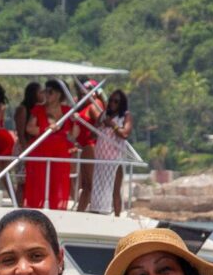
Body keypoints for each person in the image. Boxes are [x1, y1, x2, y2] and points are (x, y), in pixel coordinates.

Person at [22, 80, 76, 211]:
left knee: (58, 182)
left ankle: (56, 209)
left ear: (59, 94)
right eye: (45, 91)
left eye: (50, 91)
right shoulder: (39, 109)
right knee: (38, 184)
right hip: (41, 151)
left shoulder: (67, 111)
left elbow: (73, 135)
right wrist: (45, 129)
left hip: (60, 153)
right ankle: (35, 210)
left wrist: (76, 121)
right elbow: (29, 128)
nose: (46, 94)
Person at [88, 89, 133, 216]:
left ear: (121, 103)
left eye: (116, 101)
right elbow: (92, 135)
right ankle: (97, 213)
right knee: (97, 187)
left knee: (115, 189)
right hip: (100, 158)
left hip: (115, 158)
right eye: (111, 100)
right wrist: (100, 125)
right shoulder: (104, 115)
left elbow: (125, 133)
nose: (112, 103)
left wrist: (112, 125)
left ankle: (117, 216)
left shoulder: (125, 116)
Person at [74, 81, 102, 212]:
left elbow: (101, 120)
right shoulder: (84, 106)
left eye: (87, 89)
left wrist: (94, 133)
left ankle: (88, 210)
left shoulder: (93, 106)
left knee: (89, 183)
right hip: (85, 146)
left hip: (90, 146)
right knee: (85, 184)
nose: (83, 91)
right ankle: (81, 210)